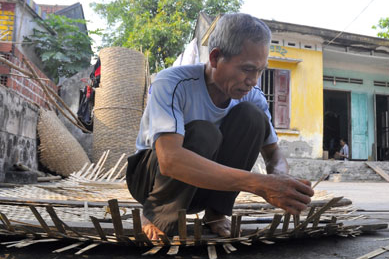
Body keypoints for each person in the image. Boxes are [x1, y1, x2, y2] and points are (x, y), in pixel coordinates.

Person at [126, 13, 314, 240]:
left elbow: (274, 154)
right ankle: (157, 212)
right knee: (205, 133)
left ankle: (215, 213)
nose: (253, 80)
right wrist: (260, 184)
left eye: (260, 71)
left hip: (201, 186)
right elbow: (170, 160)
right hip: (150, 179)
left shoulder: (252, 96)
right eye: (247, 69)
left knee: (253, 118)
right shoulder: (173, 83)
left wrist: (281, 180)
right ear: (215, 58)